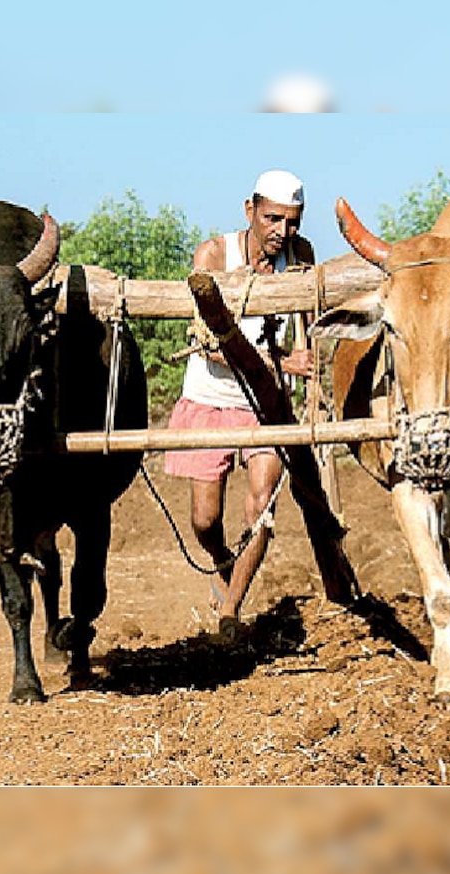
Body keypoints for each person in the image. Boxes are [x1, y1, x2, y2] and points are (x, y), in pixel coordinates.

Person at [164, 169, 315, 638]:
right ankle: (221, 563)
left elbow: (308, 323)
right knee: (204, 520)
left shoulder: (301, 256)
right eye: (272, 219)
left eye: (291, 222)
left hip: (267, 407)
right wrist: (280, 363)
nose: (282, 232)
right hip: (211, 397)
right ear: (249, 211)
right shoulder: (213, 255)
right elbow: (205, 344)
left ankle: (230, 612)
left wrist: (308, 376)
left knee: (261, 508)